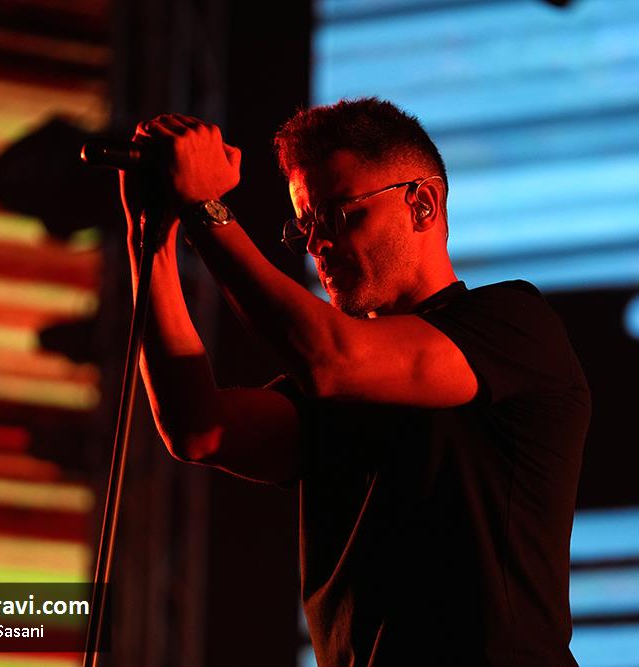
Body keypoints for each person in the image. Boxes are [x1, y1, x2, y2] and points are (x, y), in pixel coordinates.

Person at [120, 98, 591, 666]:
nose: (316, 244)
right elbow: (200, 429)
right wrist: (149, 236)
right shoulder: (334, 385)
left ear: (423, 204)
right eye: (305, 225)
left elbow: (331, 359)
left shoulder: (513, 327)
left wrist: (206, 209)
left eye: (337, 215)